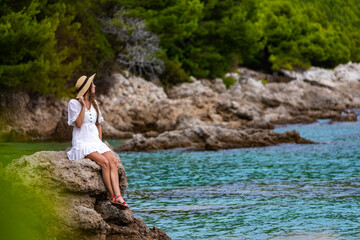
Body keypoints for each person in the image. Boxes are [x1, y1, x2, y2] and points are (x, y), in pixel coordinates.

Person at [67, 74, 128, 208]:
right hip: (82, 142)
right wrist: (83, 106)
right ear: (87, 88)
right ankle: (112, 196)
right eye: (92, 84)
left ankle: (119, 197)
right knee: (104, 163)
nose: (95, 86)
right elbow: (78, 123)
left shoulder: (95, 103)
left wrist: (99, 142)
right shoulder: (74, 103)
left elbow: (98, 124)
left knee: (112, 160)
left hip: (95, 141)